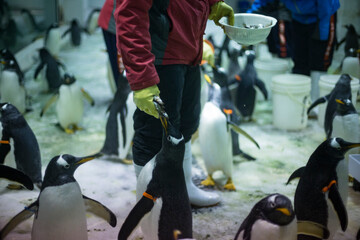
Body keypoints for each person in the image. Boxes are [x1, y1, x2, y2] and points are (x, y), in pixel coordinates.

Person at [114, 0, 234, 207]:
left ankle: (183, 187)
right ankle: (151, 207)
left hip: (189, 48)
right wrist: (143, 79)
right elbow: (130, 15)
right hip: (158, 55)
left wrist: (210, 4)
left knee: (185, 125)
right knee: (155, 134)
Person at [248, 0, 339, 100]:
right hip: (297, 17)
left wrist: (322, 36)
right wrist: (247, 18)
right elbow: (262, 2)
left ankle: (316, 104)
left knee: (319, 62)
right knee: (299, 62)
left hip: (323, 15)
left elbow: (326, 8)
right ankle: (300, 101)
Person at [98, 0, 125, 89]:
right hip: (112, 24)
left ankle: (120, 93)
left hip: (119, 22)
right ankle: (120, 95)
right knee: (119, 66)